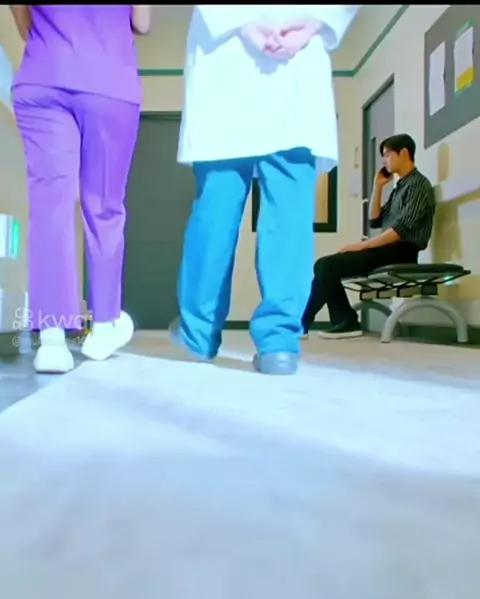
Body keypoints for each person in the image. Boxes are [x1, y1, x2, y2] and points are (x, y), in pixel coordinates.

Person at [171, 5, 359, 376]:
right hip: (298, 65)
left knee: (217, 205)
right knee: (290, 215)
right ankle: (279, 344)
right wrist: (312, 23)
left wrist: (245, 24)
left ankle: (199, 334)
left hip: (227, 62)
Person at [10, 5, 151, 374]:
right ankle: (104, 325)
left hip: (44, 76)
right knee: (104, 205)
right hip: (108, 82)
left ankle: (52, 340)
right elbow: (141, 22)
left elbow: (25, 27)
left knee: (50, 206)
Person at [302, 133, 436, 339]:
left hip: (402, 252)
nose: (384, 161)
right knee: (323, 266)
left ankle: (345, 322)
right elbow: (375, 220)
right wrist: (378, 186)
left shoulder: (418, 185)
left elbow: (400, 230)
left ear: (403, 153)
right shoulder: (400, 187)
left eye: (387, 154)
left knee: (327, 266)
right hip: (389, 250)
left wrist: (361, 246)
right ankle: (303, 323)